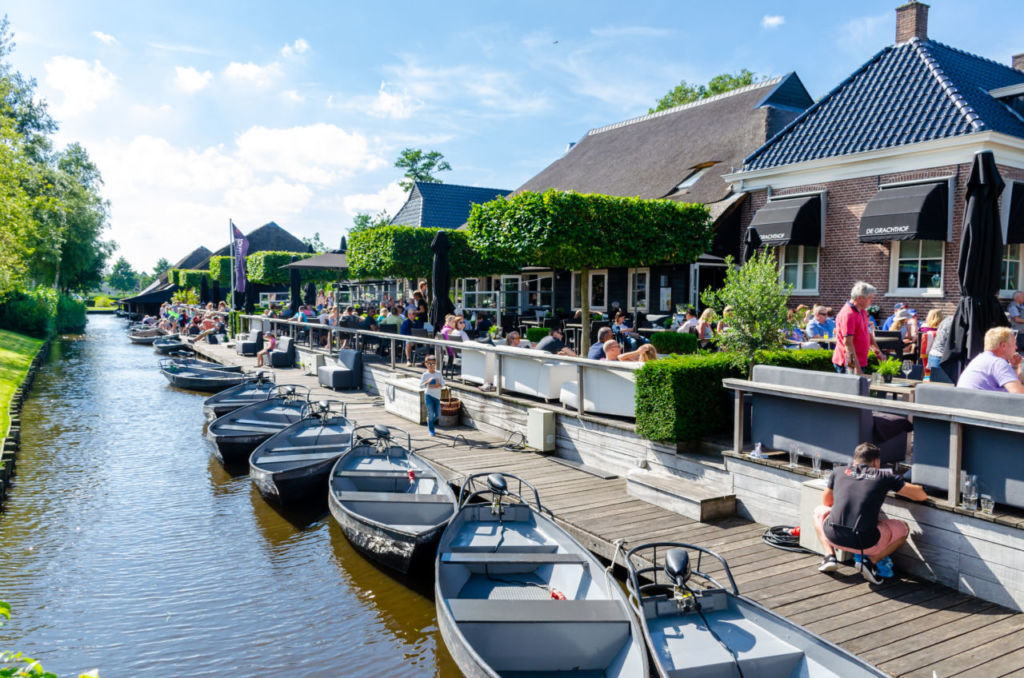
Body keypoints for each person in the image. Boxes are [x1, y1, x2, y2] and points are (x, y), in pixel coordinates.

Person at [813, 443, 927, 583]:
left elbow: (827, 502)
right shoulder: (884, 476)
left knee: (819, 511)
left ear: (854, 459)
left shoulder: (838, 471)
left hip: (833, 537)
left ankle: (829, 556)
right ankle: (870, 562)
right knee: (903, 527)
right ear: (876, 462)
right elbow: (921, 496)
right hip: (865, 544)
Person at [832, 281, 884, 375]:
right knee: (850, 389)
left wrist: (878, 352)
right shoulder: (848, 315)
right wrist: (856, 368)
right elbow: (848, 344)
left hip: (859, 361)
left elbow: (867, 333)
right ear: (860, 298)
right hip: (848, 364)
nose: (872, 301)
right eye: (870, 298)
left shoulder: (862, 311)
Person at [957, 327, 1024, 393]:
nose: (1016, 347)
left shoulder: (981, 359)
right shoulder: (997, 363)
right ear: (1003, 346)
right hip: (982, 402)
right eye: (1014, 344)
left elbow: (1014, 387)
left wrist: (1015, 366)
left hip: (969, 401)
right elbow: (1018, 393)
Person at [419, 355, 445, 436]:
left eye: (433, 364)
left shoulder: (438, 373)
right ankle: (431, 430)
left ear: (436, 364)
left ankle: (429, 420)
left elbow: (443, 384)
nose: (431, 366)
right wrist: (427, 382)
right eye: (429, 364)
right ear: (426, 364)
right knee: (430, 413)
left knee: (437, 415)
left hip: (437, 397)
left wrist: (439, 385)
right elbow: (421, 386)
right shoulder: (425, 375)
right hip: (428, 396)